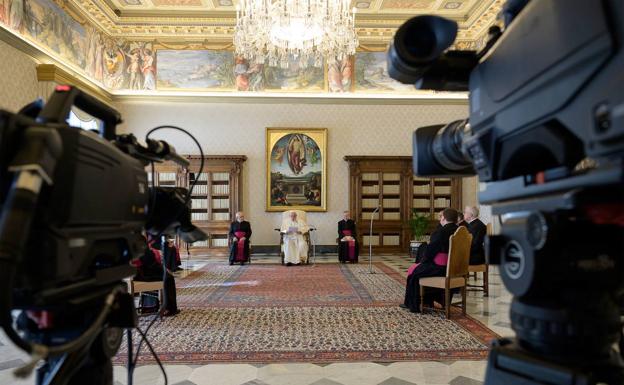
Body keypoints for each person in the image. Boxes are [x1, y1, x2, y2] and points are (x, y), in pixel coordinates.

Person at [401, 208, 459, 313]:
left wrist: (423, 261)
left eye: (441, 217)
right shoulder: (461, 231)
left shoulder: (441, 232)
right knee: (419, 270)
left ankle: (415, 304)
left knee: (414, 274)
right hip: (456, 269)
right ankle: (434, 300)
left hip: (440, 268)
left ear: (443, 218)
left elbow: (430, 252)